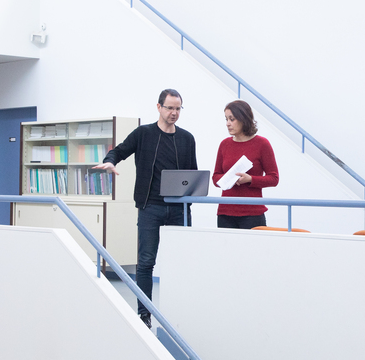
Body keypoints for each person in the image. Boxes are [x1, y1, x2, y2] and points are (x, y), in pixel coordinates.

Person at [93, 89, 197, 327]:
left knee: (182, 262)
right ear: (159, 107)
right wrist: (110, 161)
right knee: (147, 261)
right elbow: (119, 150)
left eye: (178, 108)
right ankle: (144, 314)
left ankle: (180, 314)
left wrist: (192, 198)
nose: (174, 113)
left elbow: (193, 174)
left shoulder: (187, 138)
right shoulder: (144, 134)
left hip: (179, 209)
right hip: (150, 206)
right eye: (169, 108)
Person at [212, 100, 278, 229]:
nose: (228, 123)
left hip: (252, 213)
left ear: (243, 119)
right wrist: (230, 178)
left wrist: (250, 179)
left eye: (232, 119)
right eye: (226, 119)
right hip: (225, 212)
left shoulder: (262, 144)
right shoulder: (224, 144)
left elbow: (274, 178)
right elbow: (215, 178)